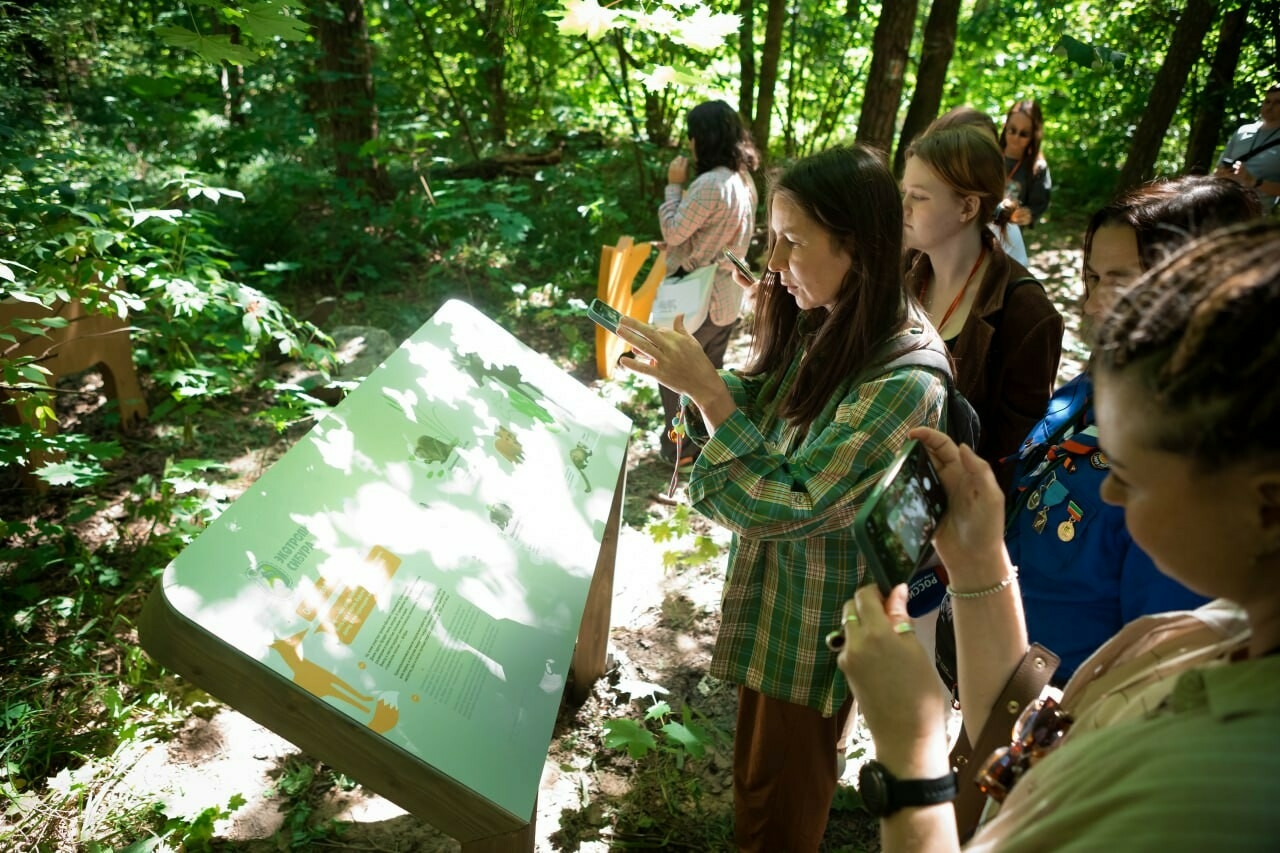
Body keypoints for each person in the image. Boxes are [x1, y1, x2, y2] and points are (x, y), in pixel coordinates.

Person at [836, 221, 1280, 851]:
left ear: (1263, 508)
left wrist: (909, 759)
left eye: (1126, 473)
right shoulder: (1225, 630)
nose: (1112, 495)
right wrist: (979, 561)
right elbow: (1032, 723)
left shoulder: (1215, 792)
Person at [615, 144, 948, 851]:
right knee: (760, 783)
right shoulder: (841, 320)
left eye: (792, 241)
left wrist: (707, 393)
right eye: (772, 237)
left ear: (857, 247)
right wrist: (699, 377)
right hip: (783, 610)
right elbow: (774, 405)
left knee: (782, 804)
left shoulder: (904, 379)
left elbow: (788, 500)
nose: (771, 261)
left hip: (819, 632)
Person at [1000, 176, 1261, 684]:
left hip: (1067, 725)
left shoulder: (1195, 464)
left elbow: (1158, 665)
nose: (1094, 306)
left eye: (1121, 283)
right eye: (1093, 278)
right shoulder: (1098, 381)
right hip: (1002, 679)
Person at [901, 124, 1063, 487]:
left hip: (954, 511)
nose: (904, 207)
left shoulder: (1026, 314)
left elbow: (1013, 457)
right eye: (903, 192)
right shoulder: (901, 273)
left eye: (919, 197)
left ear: (968, 207)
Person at [656, 99, 759, 469]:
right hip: (727, 296)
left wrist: (672, 187)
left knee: (670, 368)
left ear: (702, 138)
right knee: (708, 375)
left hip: (695, 296)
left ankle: (680, 448)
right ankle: (704, 445)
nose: (689, 144)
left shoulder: (709, 184)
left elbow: (673, 230)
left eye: (692, 136)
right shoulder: (744, 182)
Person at [928, 106, 1028, 266]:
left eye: (986, 152)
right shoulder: (912, 216)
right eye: (965, 148)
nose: (975, 162)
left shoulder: (1003, 233)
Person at [1213, 83, 1280, 212]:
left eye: (1278, 102)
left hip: (1253, 214)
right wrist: (1223, 174)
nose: (1270, 106)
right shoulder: (1243, 130)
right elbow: (1218, 171)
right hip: (1220, 204)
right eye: (1267, 101)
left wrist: (1254, 182)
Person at [998, 99, 1051, 229]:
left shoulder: (1037, 167)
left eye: (1024, 134)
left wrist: (1027, 215)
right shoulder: (988, 156)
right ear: (1005, 127)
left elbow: (1037, 206)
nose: (1016, 137)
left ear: (1034, 135)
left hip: (1009, 237)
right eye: (1012, 130)